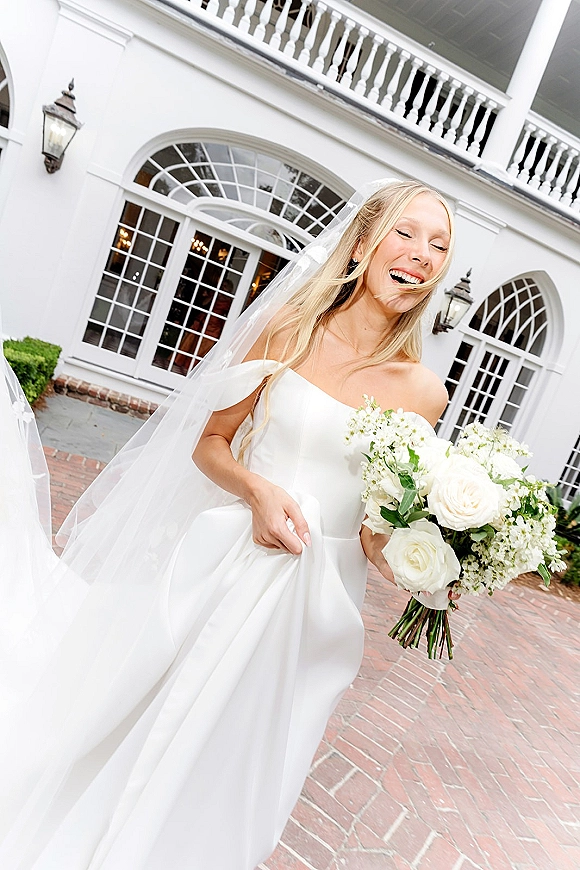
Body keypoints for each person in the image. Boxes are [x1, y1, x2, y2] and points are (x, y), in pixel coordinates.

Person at [0, 178, 453, 870]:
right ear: (363, 243)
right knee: (154, 725)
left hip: (313, 609)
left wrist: (427, 567)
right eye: (407, 233)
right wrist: (257, 492)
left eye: (439, 245)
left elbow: (372, 529)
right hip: (227, 568)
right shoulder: (290, 330)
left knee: (244, 769)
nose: (422, 254)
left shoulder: (424, 392)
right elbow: (209, 444)